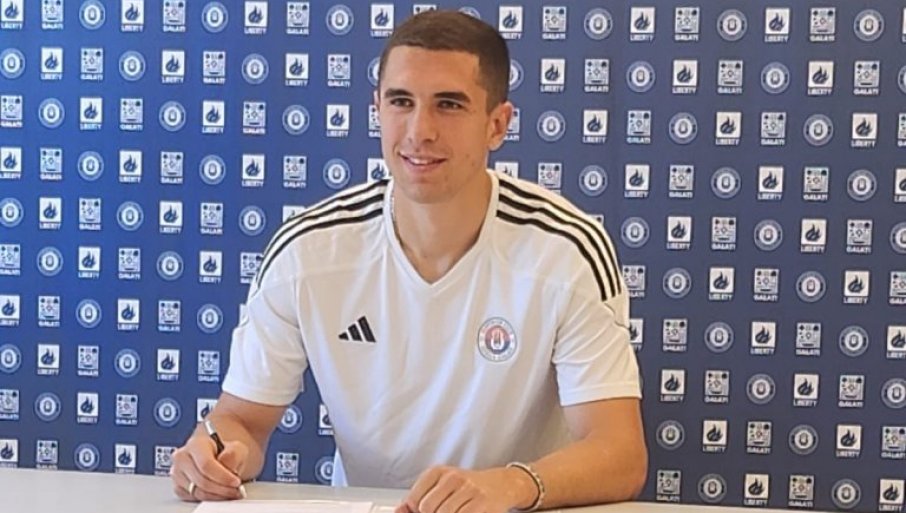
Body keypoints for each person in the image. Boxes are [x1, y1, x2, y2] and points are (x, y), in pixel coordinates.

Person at [170, 10, 647, 513]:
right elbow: (242, 421)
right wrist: (214, 453)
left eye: (449, 105)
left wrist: (508, 486)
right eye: (401, 101)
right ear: (376, 108)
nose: (420, 131)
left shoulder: (567, 249)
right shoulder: (307, 250)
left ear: (497, 125)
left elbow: (619, 453)